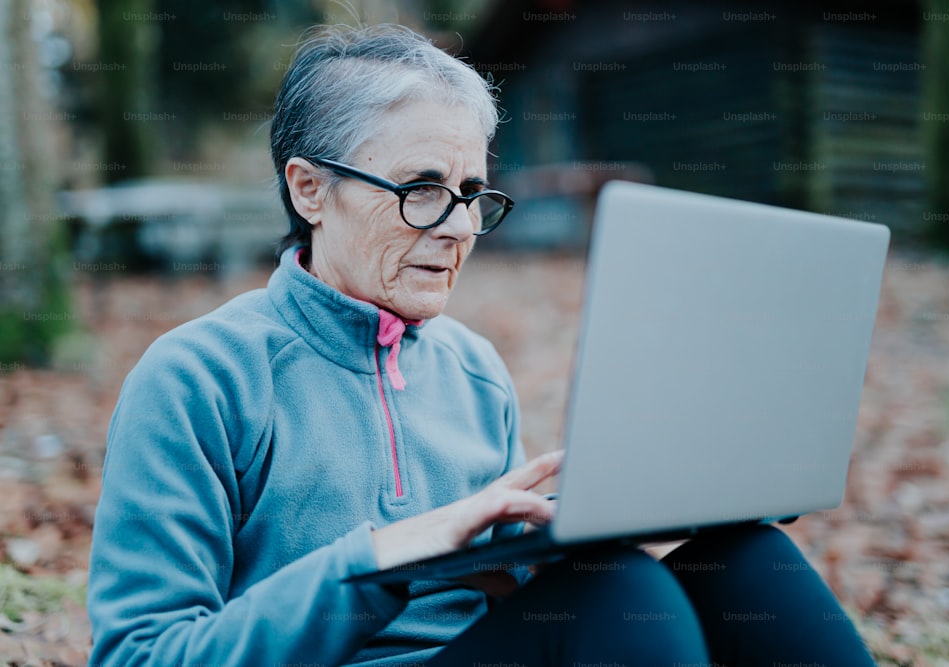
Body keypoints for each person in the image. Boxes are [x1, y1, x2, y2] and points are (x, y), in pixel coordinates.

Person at [86, 23, 877, 666]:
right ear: (309, 189)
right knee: (616, 595)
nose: (461, 228)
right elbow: (141, 654)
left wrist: (582, 533)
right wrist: (379, 558)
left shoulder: (472, 370)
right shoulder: (196, 378)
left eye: (471, 194)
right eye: (423, 189)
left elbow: (505, 588)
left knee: (737, 557)